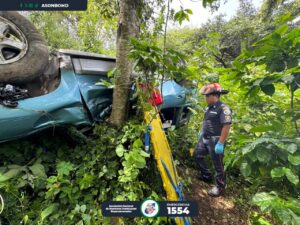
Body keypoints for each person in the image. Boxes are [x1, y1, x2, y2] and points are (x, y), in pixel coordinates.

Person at [194, 83, 232, 197]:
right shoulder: (209, 108)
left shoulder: (223, 108)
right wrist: (202, 132)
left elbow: (226, 126)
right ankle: (206, 175)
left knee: (218, 165)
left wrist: (220, 143)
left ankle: (220, 188)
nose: (205, 98)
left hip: (216, 140)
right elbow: (207, 121)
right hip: (205, 138)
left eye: (207, 96)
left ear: (214, 95)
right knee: (197, 155)